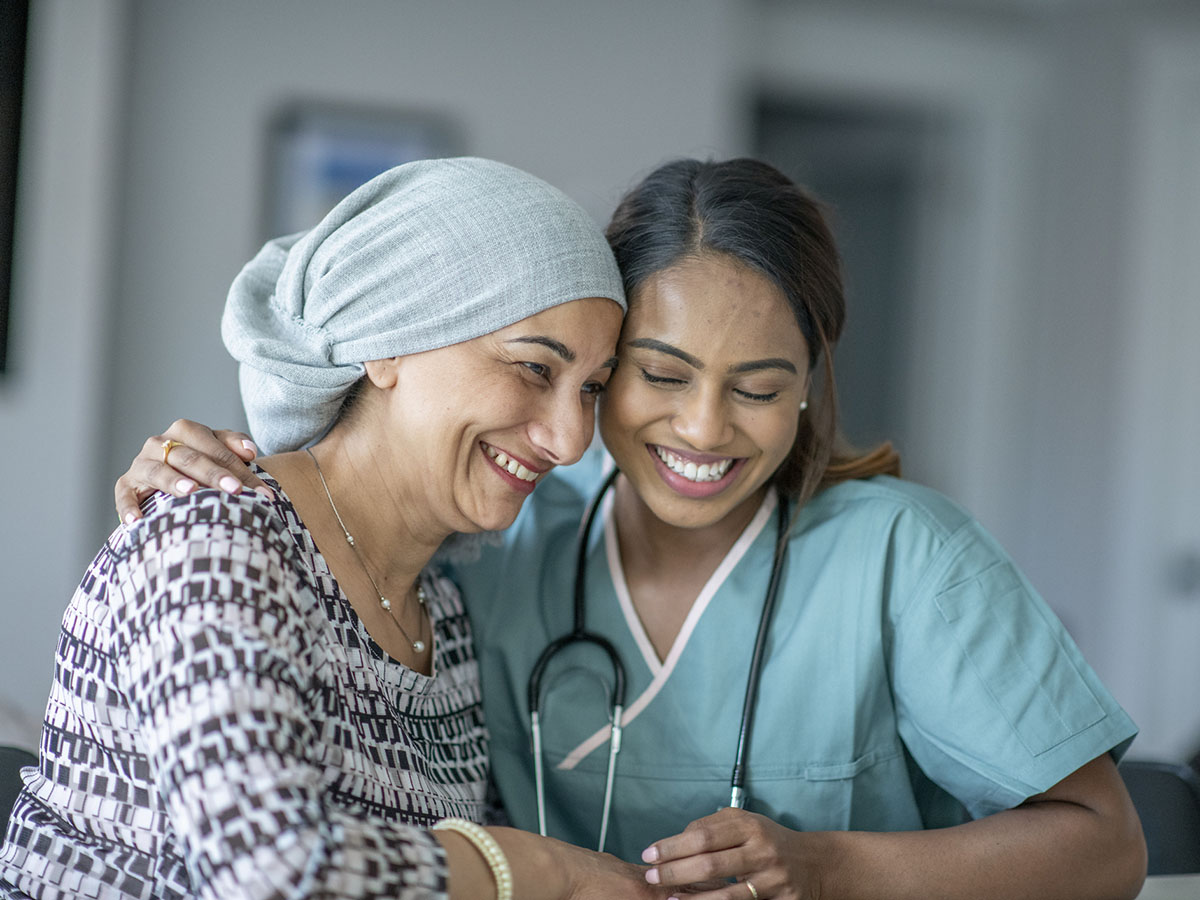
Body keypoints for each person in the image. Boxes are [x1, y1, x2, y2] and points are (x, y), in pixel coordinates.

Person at [110, 158, 1147, 900]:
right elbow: (358, 500)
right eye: (656, 376)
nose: (702, 428)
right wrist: (224, 474)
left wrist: (831, 866)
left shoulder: (907, 560)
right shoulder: (496, 542)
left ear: (807, 394)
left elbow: (1107, 847)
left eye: (759, 388)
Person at [0, 157, 687, 900]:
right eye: (532, 369)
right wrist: (549, 869)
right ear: (388, 342)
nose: (569, 438)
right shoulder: (217, 542)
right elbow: (269, 871)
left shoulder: (444, 615)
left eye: (590, 388)